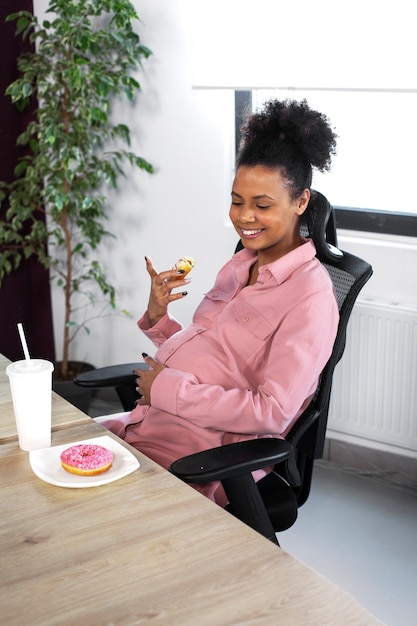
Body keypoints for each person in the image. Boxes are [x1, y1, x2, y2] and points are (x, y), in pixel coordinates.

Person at [101, 98, 339, 505]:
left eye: (262, 205)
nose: (245, 217)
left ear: (301, 202)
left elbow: (272, 412)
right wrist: (160, 320)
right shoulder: (239, 265)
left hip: (197, 452)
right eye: (236, 201)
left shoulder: (311, 298)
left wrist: (166, 389)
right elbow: (217, 357)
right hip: (149, 421)